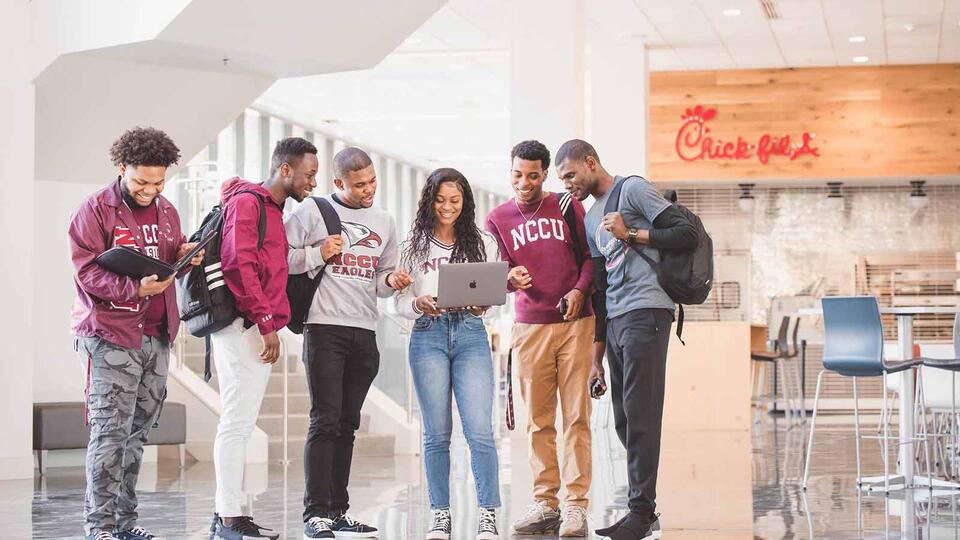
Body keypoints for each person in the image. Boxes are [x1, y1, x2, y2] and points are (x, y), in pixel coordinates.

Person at [555, 139, 697, 540]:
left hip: (648, 310)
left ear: (590, 162)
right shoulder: (588, 217)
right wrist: (596, 355)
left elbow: (685, 232)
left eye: (571, 175)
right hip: (616, 319)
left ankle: (640, 510)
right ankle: (643, 510)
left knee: (642, 413)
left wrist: (631, 232)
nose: (568, 184)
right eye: (562, 180)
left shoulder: (631, 189)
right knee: (623, 417)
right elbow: (600, 286)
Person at [69, 127, 203, 540]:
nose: (150, 190)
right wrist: (133, 289)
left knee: (138, 431)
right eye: (141, 181)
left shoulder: (167, 211)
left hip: (157, 333)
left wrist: (182, 253)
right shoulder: (95, 209)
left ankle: (126, 523)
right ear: (122, 167)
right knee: (109, 431)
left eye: (159, 182)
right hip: (109, 334)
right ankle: (100, 527)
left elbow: (168, 254)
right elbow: (87, 270)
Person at [285, 147, 412, 539]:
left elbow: (382, 277)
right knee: (324, 420)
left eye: (373, 181)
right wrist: (316, 253)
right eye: (359, 185)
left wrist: (391, 282)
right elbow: (279, 257)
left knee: (347, 424)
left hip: (365, 331)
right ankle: (315, 513)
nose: (368, 189)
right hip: (324, 328)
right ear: (338, 183)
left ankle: (338, 510)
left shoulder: (385, 221)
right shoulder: (311, 211)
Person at [210, 137, 319, 540]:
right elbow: (239, 264)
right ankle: (230, 519)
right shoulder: (249, 203)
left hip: (254, 324)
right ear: (285, 169)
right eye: (308, 174)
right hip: (244, 326)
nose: (312, 183)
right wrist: (265, 322)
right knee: (237, 424)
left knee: (239, 421)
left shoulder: (271, 209)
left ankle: (228, 513)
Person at [484, 141, 594, 537]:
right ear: (509, 171)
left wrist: (580, 291)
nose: (524, 183)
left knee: (577, 417)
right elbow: (495, 274)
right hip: (529, 328)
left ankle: (576, 506)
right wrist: (508, 279)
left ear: (545, 173)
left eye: (532, 175)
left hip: (577, 323)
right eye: (517, 174)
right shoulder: (497, 218)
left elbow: (590, 257)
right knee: (537, 422)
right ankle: (545, 503)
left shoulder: (566, 205)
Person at [394, 168, 503, 540]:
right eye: (440, 200)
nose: (447, 207)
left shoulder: (483, 242)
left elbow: (492, 298)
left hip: (471, 333)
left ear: (465, 202)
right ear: (429, 200)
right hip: (427, 335)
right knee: (436, 435)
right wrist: (416, 303)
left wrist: (481, 306)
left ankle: (487, 513)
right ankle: (440, 514)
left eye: (455, 200)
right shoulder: (413, 245)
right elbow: (396, 302)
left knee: (480, 432)